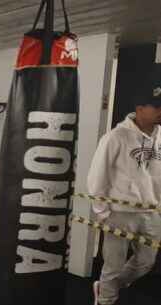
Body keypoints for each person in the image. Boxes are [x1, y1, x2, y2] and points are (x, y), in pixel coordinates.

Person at [89, 63, 161, 305]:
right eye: (156, 107)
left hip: (152, 212)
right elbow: (98, 176)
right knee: (113, 264)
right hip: (119, 213)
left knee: (146, 262)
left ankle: (109, 287)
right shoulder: (115, 138)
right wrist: (102, 212)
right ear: (140, 109)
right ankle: (106, 300)